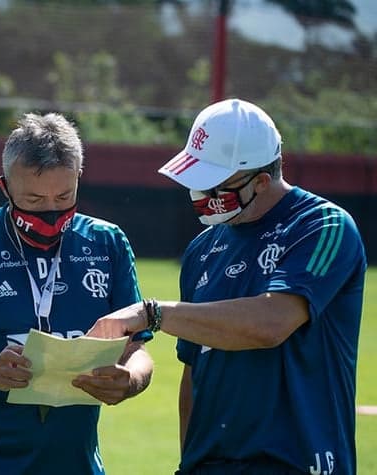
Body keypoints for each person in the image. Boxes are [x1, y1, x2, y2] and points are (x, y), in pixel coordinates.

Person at [87, 98, 366, 475]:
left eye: (214, 185)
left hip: (299, 462)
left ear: (262, 181)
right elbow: (194, 372)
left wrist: (151, 313)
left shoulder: (324, 226)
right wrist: (189, 462)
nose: (200, 196)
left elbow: (271, 324)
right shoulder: (202, 249)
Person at [0, 112, 154, 475]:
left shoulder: (107, 242)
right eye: (34, 200)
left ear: (79, 179)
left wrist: (130, 380)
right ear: (5, 187)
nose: (50, 212)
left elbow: (137, 350)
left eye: (64, 196)